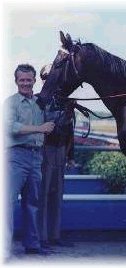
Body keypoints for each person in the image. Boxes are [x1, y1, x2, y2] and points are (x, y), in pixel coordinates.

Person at [4, 64, 55, 255]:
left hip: (36, 157)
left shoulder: (40, 102)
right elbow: (10, 127)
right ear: (16, 81)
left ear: (35, 81)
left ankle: (32, 246)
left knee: (32, 203)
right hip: (15, 157)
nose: (25, 83)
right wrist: (39, 129)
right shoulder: (10, 103)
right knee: (7, 203)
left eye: (29, 79)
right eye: (21, 80)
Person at [38, 64, 75, 248]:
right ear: (43, 78)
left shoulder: (66, 103)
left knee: (57, 195)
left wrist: (70, 156)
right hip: (44, 151)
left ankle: (54, 235)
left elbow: (70, 132)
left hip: (61, 151)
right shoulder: (38, 101)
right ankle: (42, 237)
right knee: (43, 194)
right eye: (47, 76)